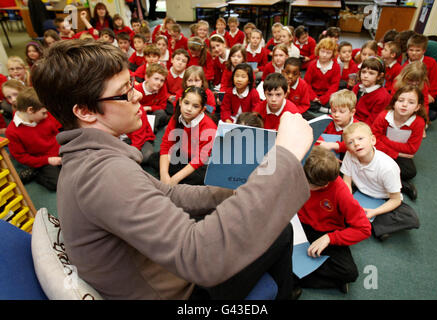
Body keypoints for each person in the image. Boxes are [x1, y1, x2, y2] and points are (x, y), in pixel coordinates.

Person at [31, 39, 314, 300]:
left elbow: (166, 194)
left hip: (160, 276)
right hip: (182, 295)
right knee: (280, 230)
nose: (136, 97)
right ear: (85, 111)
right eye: (123, 93)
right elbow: (201, 257)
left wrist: (235, 193)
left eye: (133, 85)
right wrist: (285, 157)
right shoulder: (105, 175)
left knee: (266, 221)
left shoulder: (88, 157)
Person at [296, 146, 371, 293]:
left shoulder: (340, 191)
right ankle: (292, 276)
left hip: (326, 232)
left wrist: (330, 238)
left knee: (349, 272)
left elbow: (364, 229)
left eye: (309, 185)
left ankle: (293, 277)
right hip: (298, 223)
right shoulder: (299, 170)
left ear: (325, 184)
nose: (304, 185)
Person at [340, 122, 420, 241]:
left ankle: (372, 223)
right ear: (348, 148)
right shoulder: (349, 154)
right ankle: (377, 227)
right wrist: (348, 201)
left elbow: (395, 200)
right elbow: (346, 181)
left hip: (384, 197)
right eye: (350, 142)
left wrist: (374, 212)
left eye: (360, 138)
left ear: (373, 140)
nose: (356, 144)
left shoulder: (387, 167)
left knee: (410, 218)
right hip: (361, 191)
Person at [148, 86, 217, 186]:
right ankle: (177, 179)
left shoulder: (209, 127)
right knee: (154, 158)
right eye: (186, 103)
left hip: (200, 163)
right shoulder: (176, 118)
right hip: (182, 156)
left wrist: (176, 178)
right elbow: (166, 146)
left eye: (195, 106)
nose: (189, 109)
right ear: (180, 102)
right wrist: (164, 174)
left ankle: (178, 180)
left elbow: (199, 159)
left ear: (202, 109)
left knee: (206, 175)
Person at [371, 86, 427, 201]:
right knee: (368, 161)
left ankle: (389, 182)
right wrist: (396, 153)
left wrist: (383, 140)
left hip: (393, 152)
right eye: (401, 100)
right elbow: (373, 139)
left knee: (410, 171)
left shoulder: (419, 123)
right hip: (383, 151)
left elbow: (411, 149)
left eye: (411, 102)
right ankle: (401, 186)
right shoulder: (384, 116)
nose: (404, 105)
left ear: (417, 107)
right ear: (394, 102)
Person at [5, 87, 61, 190]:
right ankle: (35, 173)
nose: (46, 116)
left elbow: (56, 134)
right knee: (57, 184)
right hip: (42, 159)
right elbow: (21, 157)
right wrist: (47, 160)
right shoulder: (12, 132)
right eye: (43, 113)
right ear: (30, 110)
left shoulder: (43, 117)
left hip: (57, 151)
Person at [317, 89, 358, 158]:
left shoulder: (358, 127)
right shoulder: (327, 120)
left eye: (341, 112)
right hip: (327, 157)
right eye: (333, 111)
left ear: (352, 112)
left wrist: (335, 145)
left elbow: (357, 144)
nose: (336, 115)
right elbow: (315, 135)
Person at [304, 38, 341, 114]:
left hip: (327, 94)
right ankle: (323, 109)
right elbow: (307, 83)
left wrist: (325, 98)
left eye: (328, 53)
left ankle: (319, 107)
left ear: (332, 54)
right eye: (322, 51)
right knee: (304, 100)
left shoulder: (336, 66)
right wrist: (313, 96)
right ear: (318, 51)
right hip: (314, 93)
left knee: (337, 101)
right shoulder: (312, 65)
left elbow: (334, 85)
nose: (324, 55)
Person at [352, 57, 391, 126]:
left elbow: (373, 121)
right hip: (351, 121)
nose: (365, 76)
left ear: (379, 76)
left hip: (365, 127)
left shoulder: (382, 96)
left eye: (371, 73)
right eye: (363, 72)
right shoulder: (357, 87)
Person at [135, 63, 169, 132]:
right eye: (156, 79)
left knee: (161, 113)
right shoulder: (137, 89)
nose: (159, 83)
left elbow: (162, 106)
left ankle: (150, 130)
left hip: (152, 112)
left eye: (162, 80)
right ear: (147, 78)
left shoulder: (162, 88)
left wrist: (149, 108)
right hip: (139, 112)